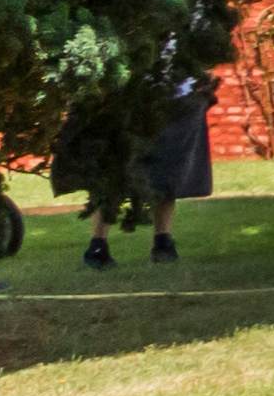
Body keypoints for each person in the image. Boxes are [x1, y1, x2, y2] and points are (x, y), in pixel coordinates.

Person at [86, 64, 211, 270]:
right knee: (112, 171)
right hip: (127, 95)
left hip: (176, 99)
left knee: (167, 171)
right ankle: (98, 245)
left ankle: (162, 242)